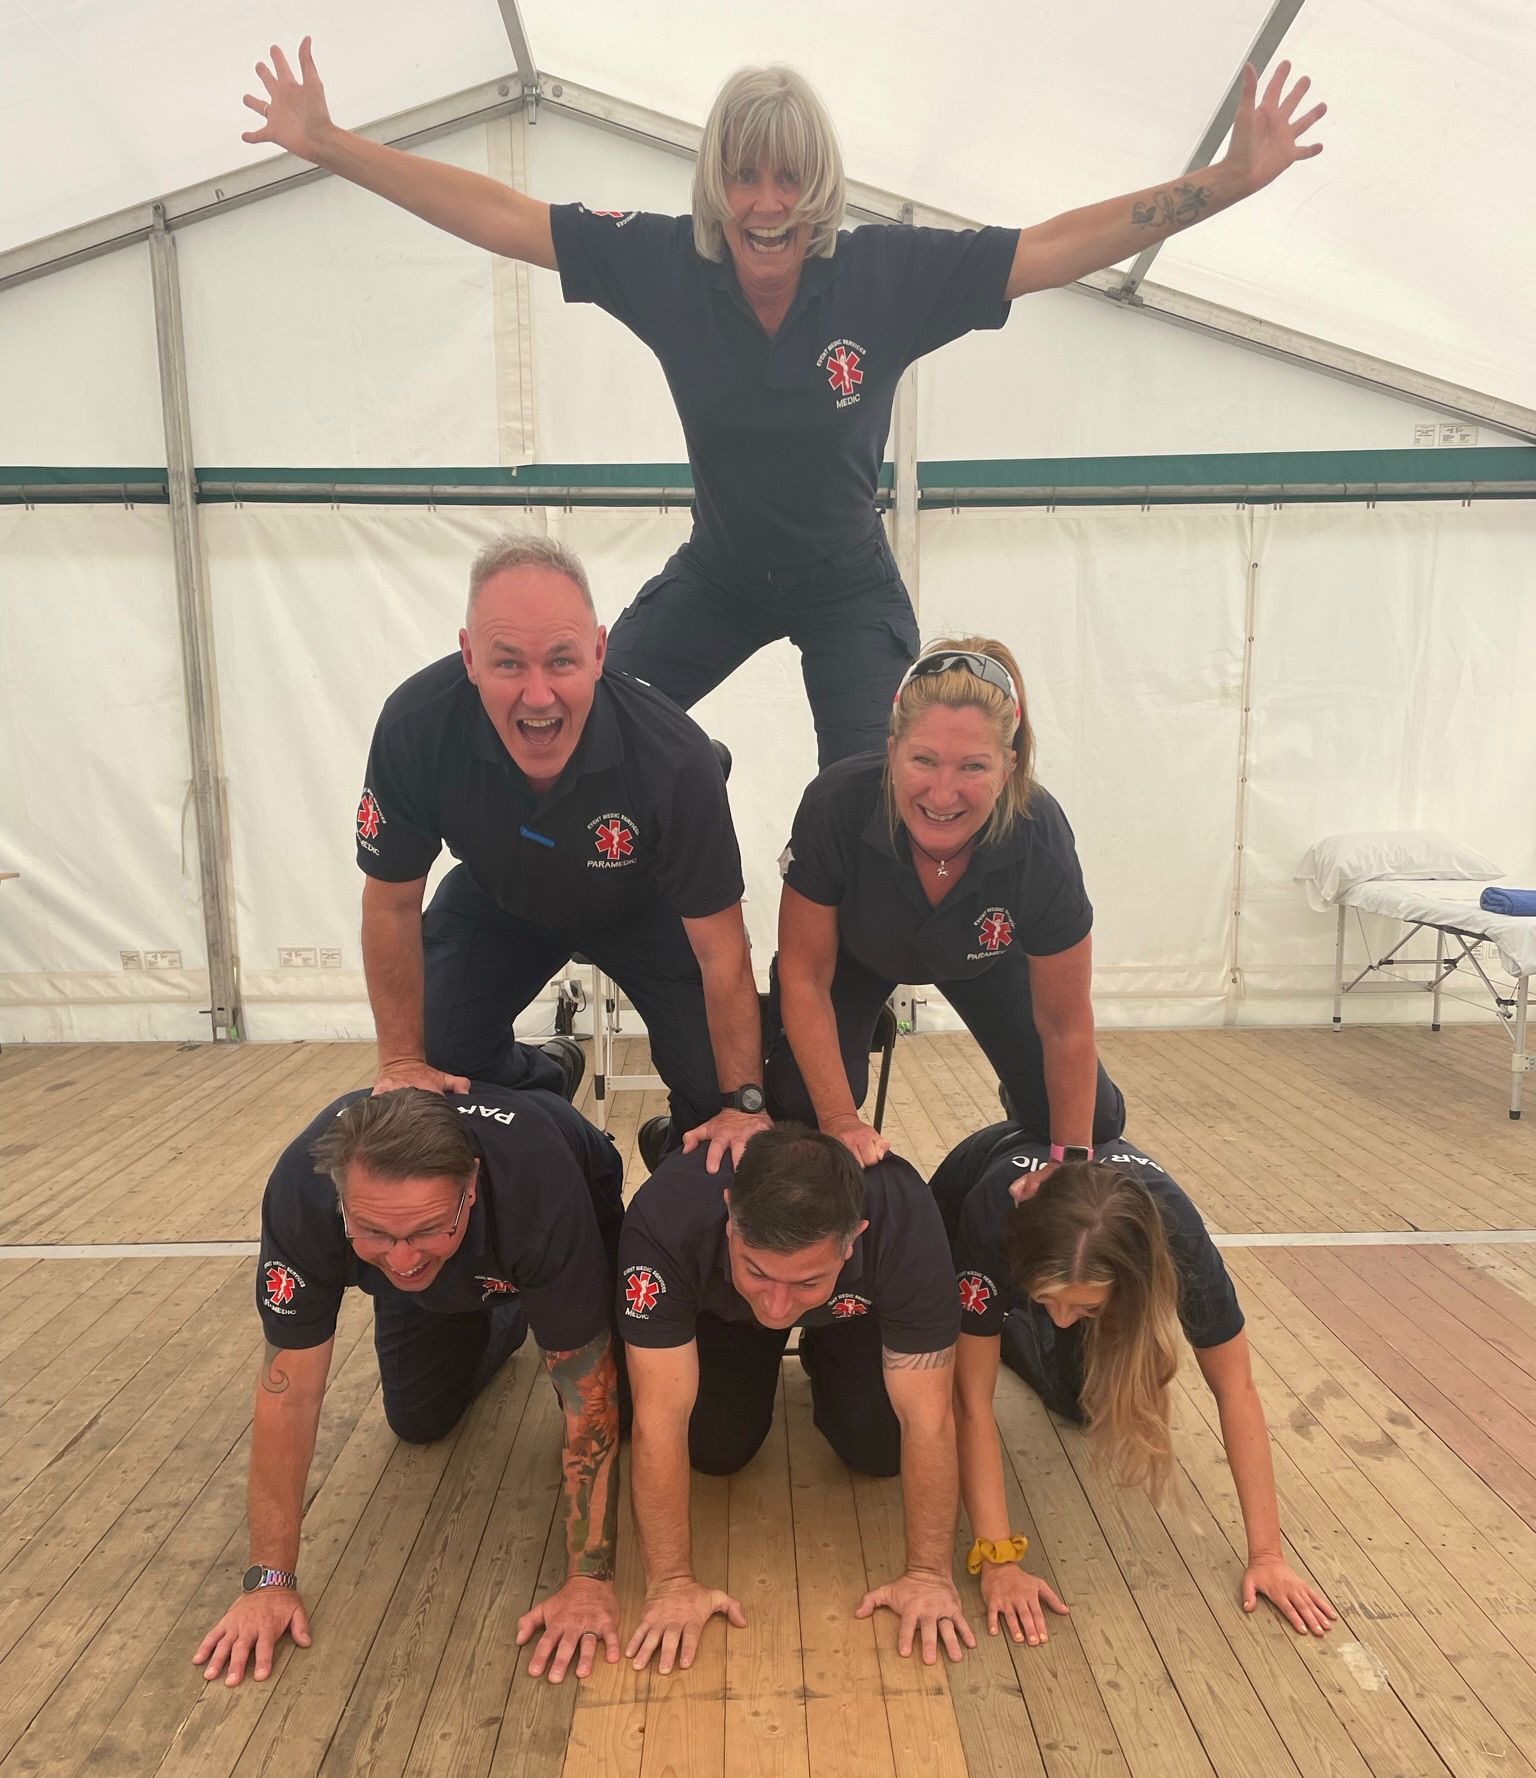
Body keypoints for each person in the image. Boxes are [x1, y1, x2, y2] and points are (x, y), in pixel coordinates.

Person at [241, 45, 1327, 765]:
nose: (768, 207)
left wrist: (1227, 181)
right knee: (589, 720)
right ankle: (639, 871)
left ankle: (838, 1026)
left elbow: (1050, 248)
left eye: (790, 182)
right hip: (719, 573)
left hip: (847, 581)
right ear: (716, 187)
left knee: (868, 798)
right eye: (746, 180)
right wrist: (332, 144)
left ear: (821, 187)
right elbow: (503, 216)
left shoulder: (886, 276)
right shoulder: (666, 265)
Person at [194, 1084, 630, 1689]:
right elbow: (287, 1394)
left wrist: (588, 1580)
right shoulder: (301, 1191)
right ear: (340, 1198)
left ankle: (530, 1279)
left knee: (624, 1412)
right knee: (419, 1420)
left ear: (471, 1187)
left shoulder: (538, 1189)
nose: (400, 1261)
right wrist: (269, 1579)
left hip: (565, 1193)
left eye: (426, 1228)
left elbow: (591, 1398)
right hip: (472, 1261)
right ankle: (509, 1304)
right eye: (372, 1231)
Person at [357, 532, 770, 1160]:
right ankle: (545, 1080)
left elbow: (722, 951)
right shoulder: (416, 724)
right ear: (469, 657)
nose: (538, 695)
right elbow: (390, 904)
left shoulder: (676, 758)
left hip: (646, 909)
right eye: (508, 663)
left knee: (719, 1094)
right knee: (436, 1053)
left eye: (560, 661)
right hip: (499, 897)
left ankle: (666, 1144)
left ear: (599, 653)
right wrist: (401, 1060)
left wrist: (743, 1103)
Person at [932, 1121, 1338, 1647]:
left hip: (1071, 1262)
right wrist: (999, 1560)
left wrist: (1268, 1557)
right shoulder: (991, 1222)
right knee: (934, 1391)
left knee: (1082, 1403)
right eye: (1047, 1299)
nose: (1063, 1319)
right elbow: (970, 1403)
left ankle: (1013, 1324)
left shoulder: (1180, 1240)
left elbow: (1236, 1389)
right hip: (966, 1198)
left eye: (1085, 1308)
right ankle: (999, 1319)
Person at [616, 1124, 974, 1672]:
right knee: (715, 1448)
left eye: (805, 1281)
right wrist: (670, 1584)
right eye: (758, 1270)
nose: (779, 1307)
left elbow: (929, 1417)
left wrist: (929, 1576)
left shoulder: (904, 1216)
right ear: (730, 1215)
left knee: (880, 1449)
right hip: (723, 1313)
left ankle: (821, 1345)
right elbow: (658, 1418)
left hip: (852, 1310)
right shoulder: (665, 1215)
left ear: (854, 1238)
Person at [771, 637, 1123, 1167]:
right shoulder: (835, 804)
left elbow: (1065, 1021)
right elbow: (805, 977)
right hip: (854, 956)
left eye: (973, 767)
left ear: (1008, 767)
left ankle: (1021, 1101)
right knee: (798, 1104)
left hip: (982, 959)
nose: (941, 794)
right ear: (893, 752)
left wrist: (1069, 1162)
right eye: (924, 760)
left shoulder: (1039, 833)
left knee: (1092, 1123)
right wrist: (840, 1120)